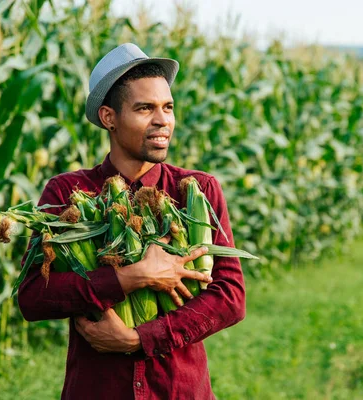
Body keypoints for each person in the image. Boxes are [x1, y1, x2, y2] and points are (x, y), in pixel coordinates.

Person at [17, 43, 246, 400]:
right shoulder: (69, 193)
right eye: (145, 108)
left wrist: (140, 339)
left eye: (168, 107)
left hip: (177, 390)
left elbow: (230, 297)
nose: (162, 121)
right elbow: (32, 297)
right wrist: (129, 277)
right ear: (109, 117)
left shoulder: (196, 190)